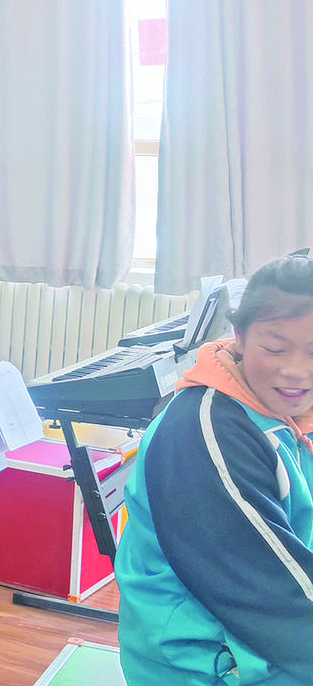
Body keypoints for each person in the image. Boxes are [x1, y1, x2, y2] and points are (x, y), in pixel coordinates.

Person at [115, 255, 313, 685]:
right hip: (208, 663)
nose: (297, 371)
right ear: (239, 337)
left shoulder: (286, 406)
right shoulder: (207, 432)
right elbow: (277, 603)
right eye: (275, 349)